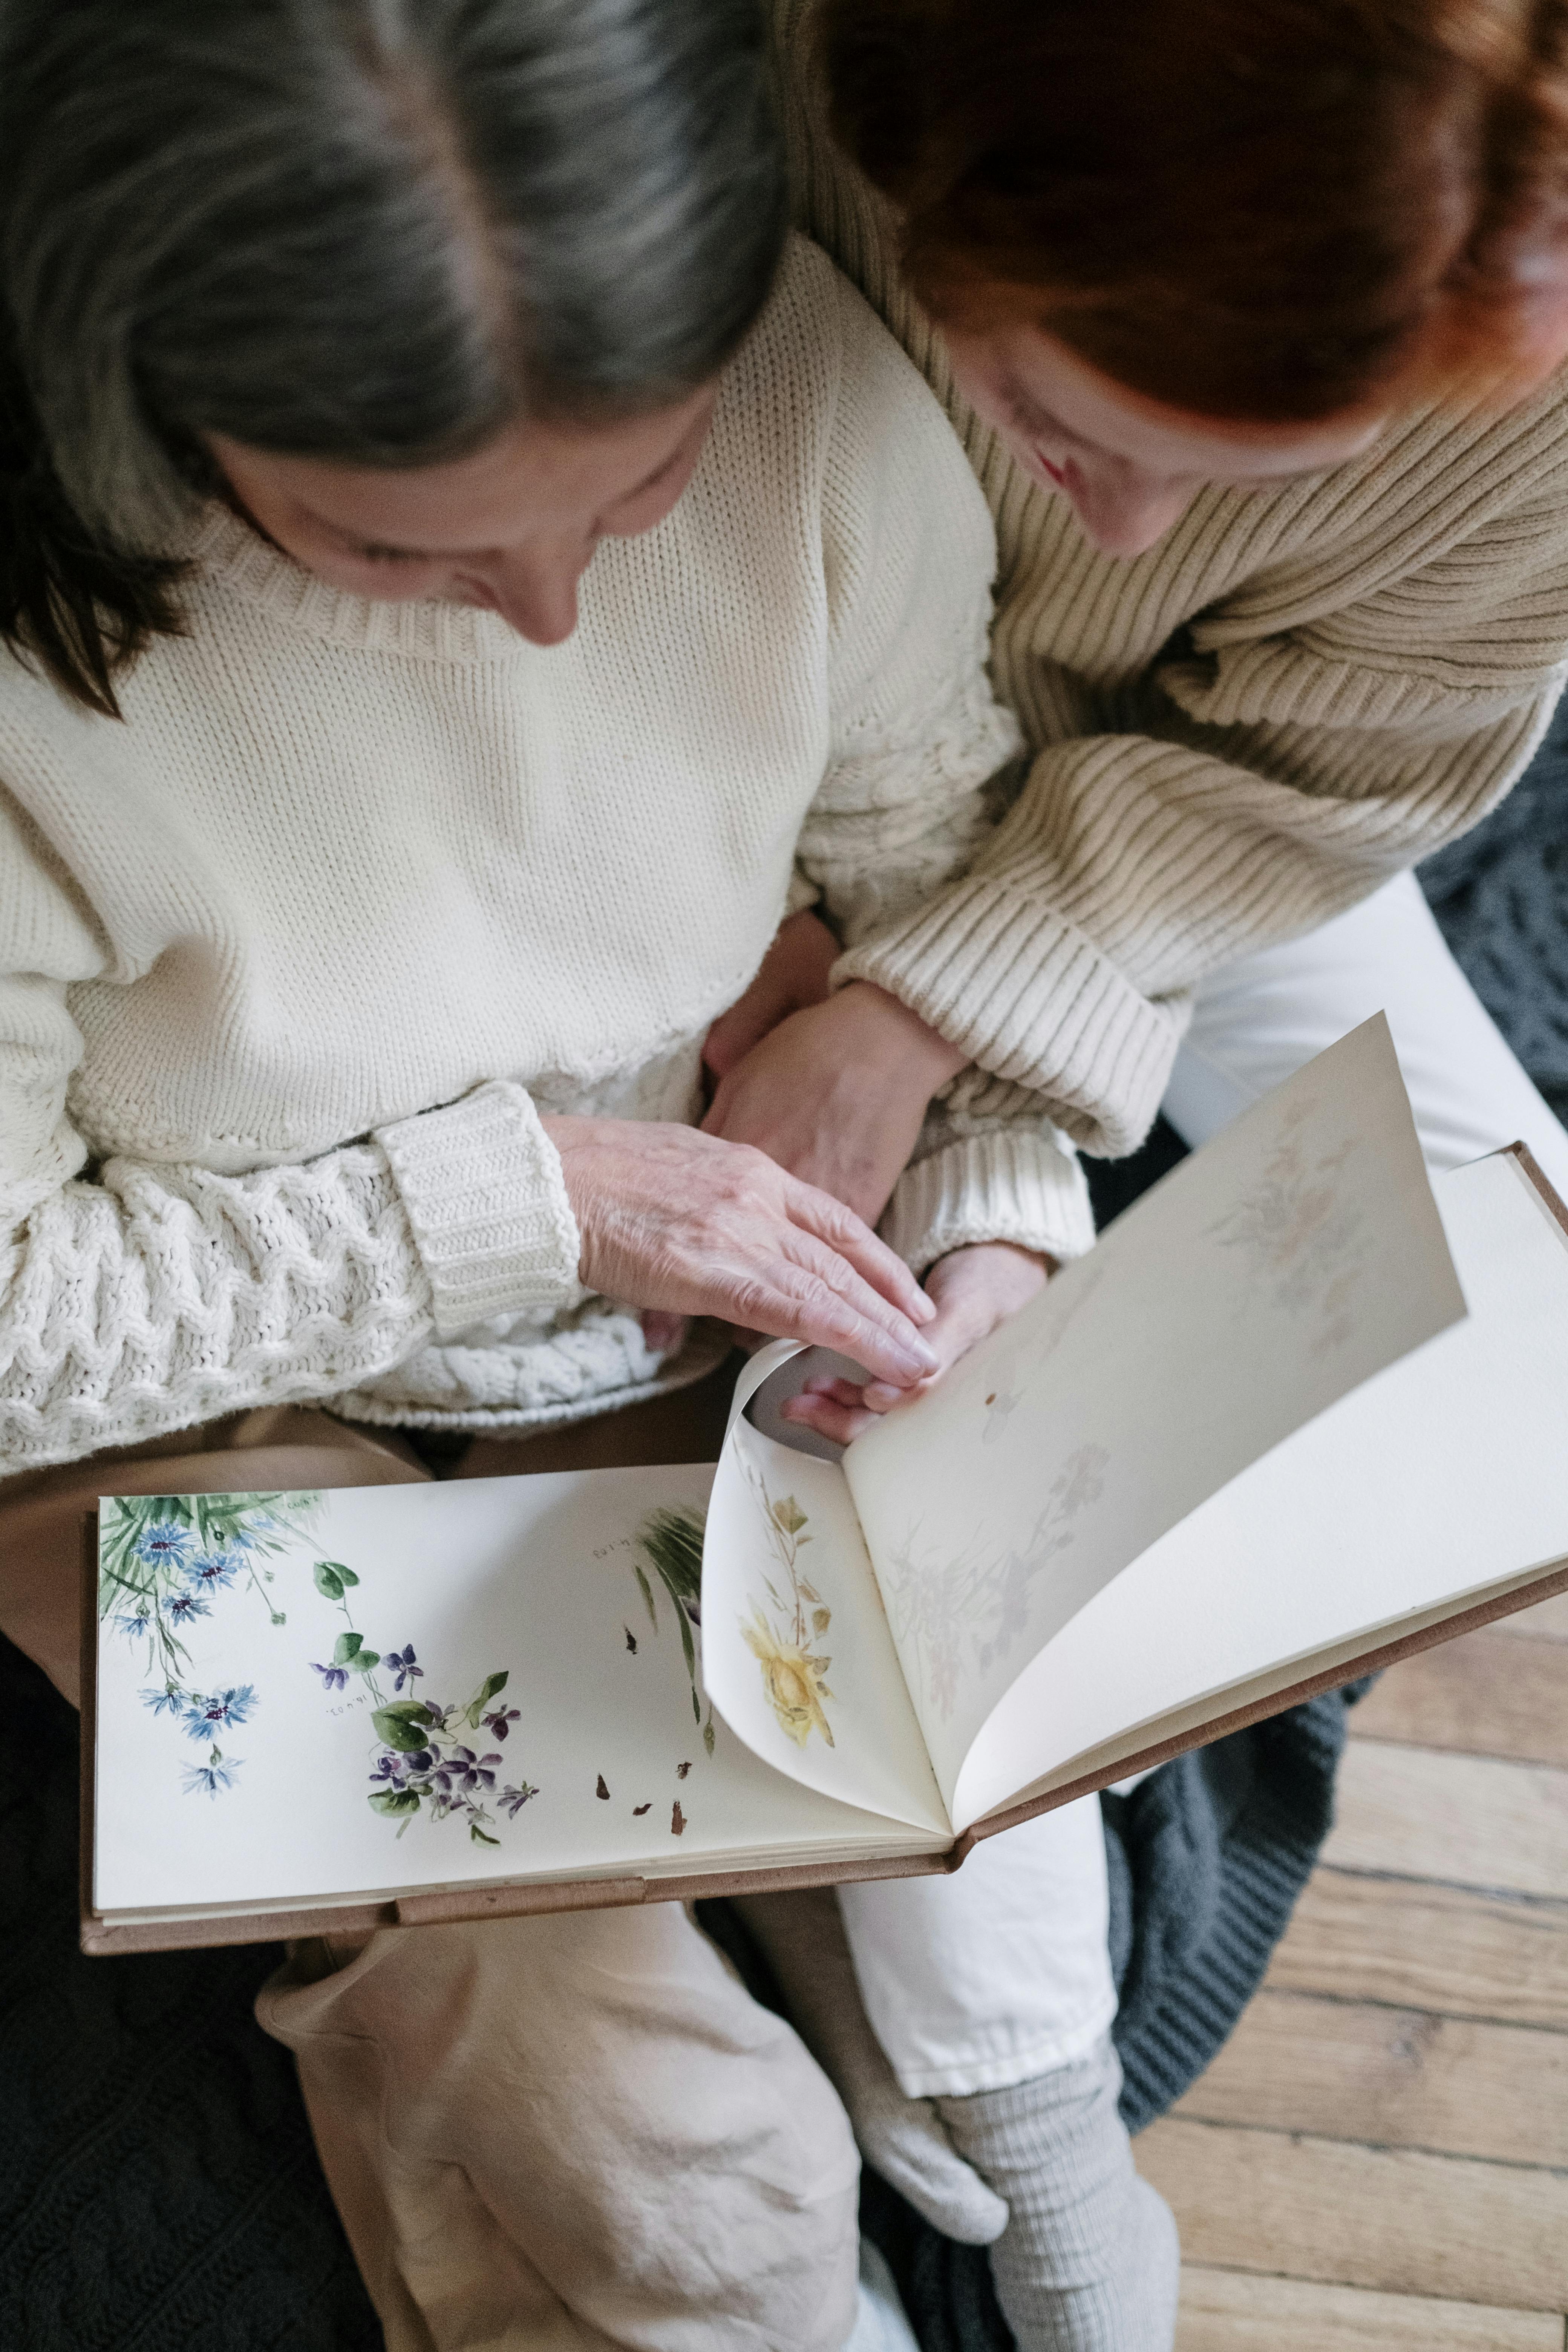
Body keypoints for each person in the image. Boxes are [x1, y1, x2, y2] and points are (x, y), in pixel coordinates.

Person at [0, 3, 1123, 2348]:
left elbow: (943, 887)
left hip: (702, 1255)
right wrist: (531, 1203)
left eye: (637, 492)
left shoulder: (821, 396)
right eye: (381, 546)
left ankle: (1029, 2139)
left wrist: (984, 1206)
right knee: (678, 2169)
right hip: (171, 1401)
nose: (547, 620)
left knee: (999, 1831)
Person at [683, 3, 1568, 2347]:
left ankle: (917, 1946)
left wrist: (949, 1012)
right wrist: (833, 981)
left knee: (1520, 1307)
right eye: (1076, 432)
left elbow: (1299, 765)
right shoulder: (776, 160)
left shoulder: (1525, 401)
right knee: (915, 1469)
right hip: (785, 694)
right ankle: (1025, 2094)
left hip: (1168, 801)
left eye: (1258, 473)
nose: (1147, 533)